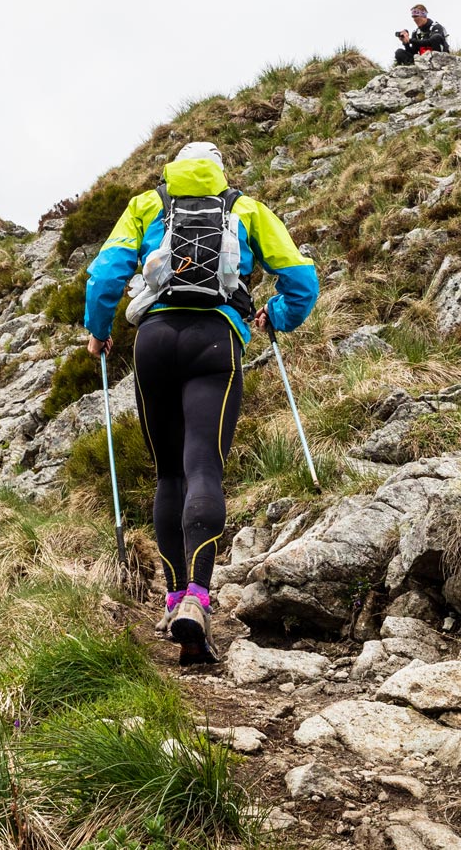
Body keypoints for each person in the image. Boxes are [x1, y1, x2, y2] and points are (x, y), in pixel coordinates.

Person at [83, 142, 319, 664]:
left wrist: (98, 330)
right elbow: (302, 280)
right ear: (219, 171)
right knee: (203, 466)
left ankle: (172, 600)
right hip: (216, 340)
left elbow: (105, 275)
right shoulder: (246, 208)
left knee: (170, 474)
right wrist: (278, 315)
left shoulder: (147, 204)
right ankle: (197, 597)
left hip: (154, 341)